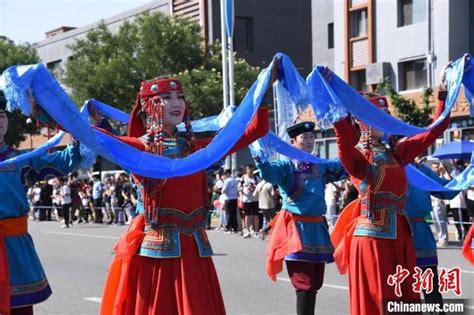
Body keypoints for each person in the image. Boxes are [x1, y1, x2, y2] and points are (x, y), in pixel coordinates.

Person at [99, 75, 272, 315]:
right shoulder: (139, 147)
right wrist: (49, 110)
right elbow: (94, 138)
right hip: (159, 252)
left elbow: (255, 130)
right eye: (166, 98)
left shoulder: (196, 147)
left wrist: (264, 89)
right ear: (149, 105)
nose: (176, 102)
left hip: (195, 248)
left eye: (180, 97)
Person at [330, 63, 451, 315]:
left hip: (402, 236)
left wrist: (444, 90)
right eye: (379, 118)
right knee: (382, 302)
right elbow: (343, 139)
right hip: (374, 239)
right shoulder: (359, 159)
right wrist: (337, 106)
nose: (386, 123)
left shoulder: (397, 152)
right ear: (364, 122)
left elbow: (434, 129)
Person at [0, 91, 82, 314]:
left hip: (14, 248)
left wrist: (78, 131)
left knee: (20, 307)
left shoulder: (21, 160)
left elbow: (64, 162)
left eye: (2, 114)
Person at [254, 120, 346, 315]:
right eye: (304, 137)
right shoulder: (287, 165)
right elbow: (269, 173)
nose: (309, 140)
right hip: (296, 228)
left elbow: (343, 166)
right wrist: (259, 154)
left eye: (312, 136)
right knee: (304, 282)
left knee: (316, 281)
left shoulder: (320, 165)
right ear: (293, 141)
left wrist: (354, 141)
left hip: (317, 228)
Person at [406, 157, 458, 309]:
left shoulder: (421, 170)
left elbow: (445, 190)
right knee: (400, 286)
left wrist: (466, 177)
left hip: (421, 232)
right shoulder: (389, 166)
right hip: (396, 231)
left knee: (430, 286)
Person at [446, 159, 470, 242]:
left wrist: (454, 164)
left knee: (461, 223)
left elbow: (457, 175)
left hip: (459, 202)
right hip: (454, 203)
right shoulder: (455, 173)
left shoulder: (461, 173)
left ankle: (464, 238)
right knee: (457, 222)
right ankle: (463, 237)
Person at [240, 164, 260, 238]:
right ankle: (247, 230)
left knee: (255, 215)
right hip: (246, 199)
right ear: (246, 170)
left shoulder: (256, 178)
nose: (250, 172)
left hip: (255, 199)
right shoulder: (243, 178)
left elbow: (259, 187)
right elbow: (239, 187)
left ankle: (256, 231)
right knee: (247, 215)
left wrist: (255, 187)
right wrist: (241, 192)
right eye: (249, 170)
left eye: (252, 170)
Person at [221, 169, 240, 233]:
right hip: (234, 198)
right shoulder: (235, 180)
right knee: (234, 213)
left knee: (228, 214)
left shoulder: (227, 181)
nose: (225, 175)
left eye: (225, 174)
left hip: (228, 198)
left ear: (228, 174)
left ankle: (228, 227)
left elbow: (223, 190)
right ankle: (235, 228)